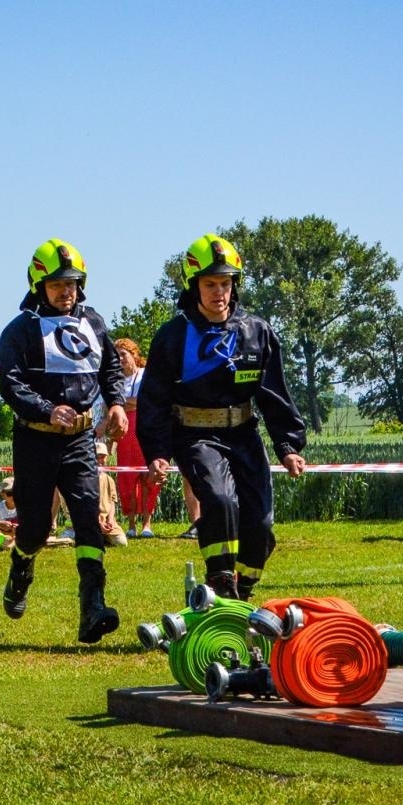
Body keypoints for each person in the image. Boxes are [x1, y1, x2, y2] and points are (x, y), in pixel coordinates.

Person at [139, 233, 307, 601]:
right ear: (192, 286)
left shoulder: (256, 331)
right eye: (210, 284)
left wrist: (288, 445)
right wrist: (157, 452)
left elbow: (274, 393)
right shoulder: (172, 336)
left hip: (244, 434)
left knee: (261, 526)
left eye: (226, 283)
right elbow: (153, 400)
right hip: (194, 435)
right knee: (219, 501)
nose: (219, 292)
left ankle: (241, 595)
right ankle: (219, 579)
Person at [0, 237, 128, 642]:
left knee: (90, 520)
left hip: (80, 441)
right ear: (38, 285)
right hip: (36, 440)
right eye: (56, 284)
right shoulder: (19, 331)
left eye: (71, 283)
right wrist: (45, 409)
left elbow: (110, 371)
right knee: (35, 529)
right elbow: (10, 384)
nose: (65, 292)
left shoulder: (95, 323)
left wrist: (118, 404)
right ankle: (22, 563)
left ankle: (92, 607)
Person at [108, 337, 160, 537]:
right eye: (117, 355)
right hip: (125, 434)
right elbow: (110, 406)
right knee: (127, 479)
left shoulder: (146, 375)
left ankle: (147, 524)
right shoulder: (114, 380)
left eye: (123, 354)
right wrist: (130, 403)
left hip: (146, 430)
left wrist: (125, 403)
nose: (120, 359)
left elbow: (149, 401)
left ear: (134, 355)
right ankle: (130, 524)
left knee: (149, 478)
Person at [94, 439, 129, 548]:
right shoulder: (85, 479)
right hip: (91, 520)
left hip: (106, 520)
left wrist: (110, 520)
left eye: (102, 457)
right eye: (97, 457)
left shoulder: (109, 480)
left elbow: (112, 502)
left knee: (122, 543)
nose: (100, 460)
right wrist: (98, 522)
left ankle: (104, 536)